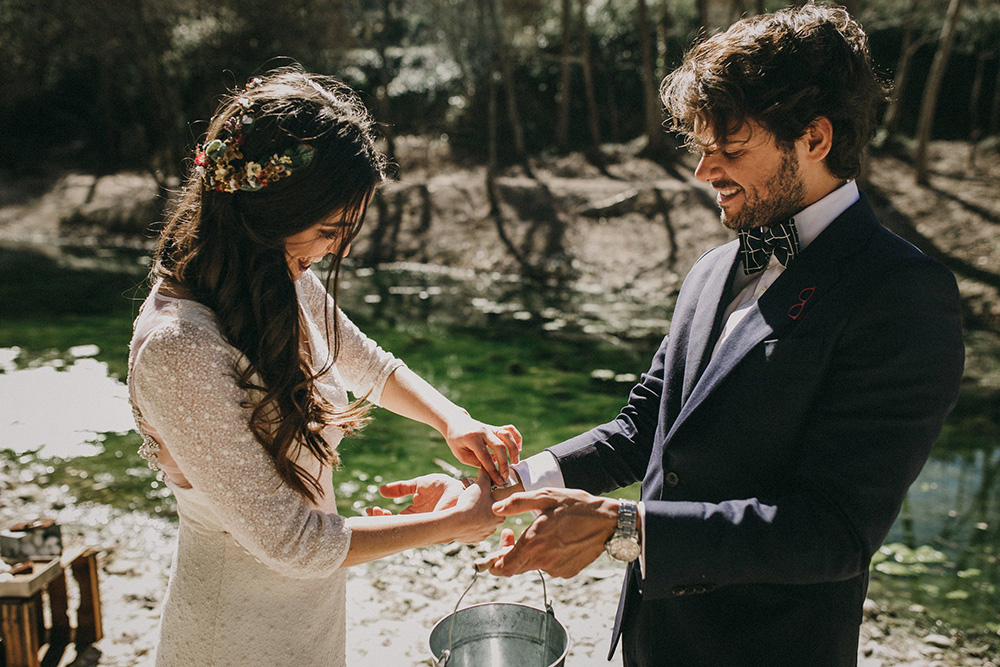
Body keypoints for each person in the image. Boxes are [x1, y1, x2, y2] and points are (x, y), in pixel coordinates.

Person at [481, 5, 965, 666]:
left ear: (815, 138)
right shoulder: (711, 269)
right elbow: (641, 428)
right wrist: (506, 482)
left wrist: (625, 527)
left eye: (729, 149)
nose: (705, 172)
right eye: (703, 148)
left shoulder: (904, 292)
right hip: (653, 643)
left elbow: (833, 532)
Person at [126, 67, 520, 667]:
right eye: (327, 228)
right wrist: (450, 525)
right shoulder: (178, 349)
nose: (334, 249)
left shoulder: (275, 277)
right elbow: (294, 541)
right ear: (267, 211)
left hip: (311, 615)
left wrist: (452, 419)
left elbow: (368, 363)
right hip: (230, 633)